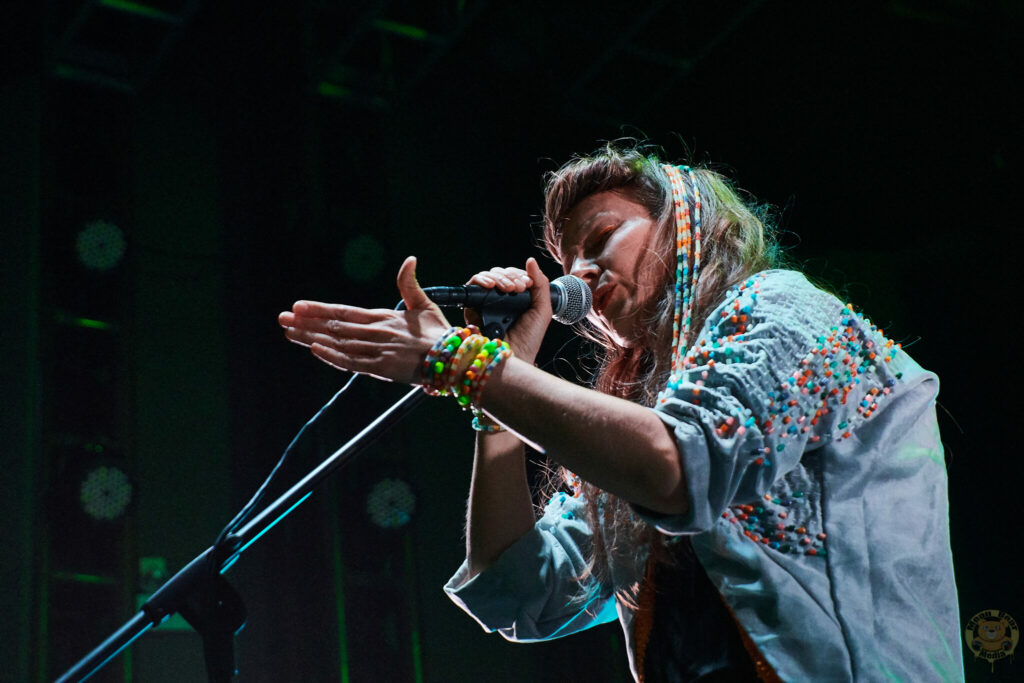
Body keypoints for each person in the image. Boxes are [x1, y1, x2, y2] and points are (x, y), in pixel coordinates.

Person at [279, 144, 963, 681]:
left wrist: (465, 365)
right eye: (567, 260)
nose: (580, 274)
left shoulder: (787, 312)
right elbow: (522, 591)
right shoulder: (639, 420)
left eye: (602, 236)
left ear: (692, 221)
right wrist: (492, 396)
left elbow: (678, 466)